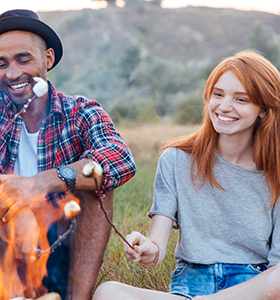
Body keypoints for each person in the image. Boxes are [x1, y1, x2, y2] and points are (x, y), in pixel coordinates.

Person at [0, 9, 136, 300]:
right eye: (2, 64)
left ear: (47, 59)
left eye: (24, 59)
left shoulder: (80, 111)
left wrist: (44, 182)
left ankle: (76, 298)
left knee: (96, 184)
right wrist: (17, 205)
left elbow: (119, 157)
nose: (12, 74)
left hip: (57, 255)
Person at [93, 50, 280, 300]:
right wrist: (147, 248)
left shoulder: (276, 172)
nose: (224, 107)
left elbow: (275, 272)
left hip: (251, 288)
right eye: (218, 94)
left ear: (264, 110)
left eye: (241, 99)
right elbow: (156, 247)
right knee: (108, 292)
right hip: (191, 285)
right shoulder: (176, 160)